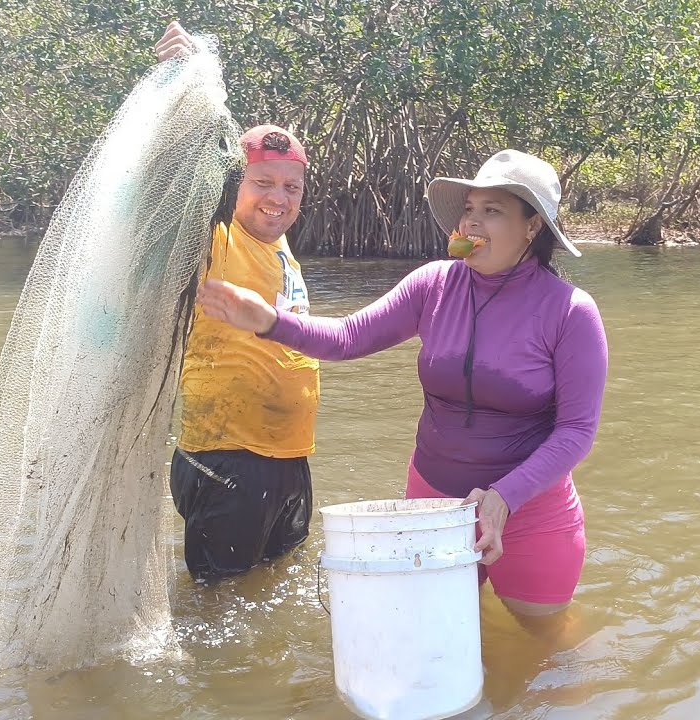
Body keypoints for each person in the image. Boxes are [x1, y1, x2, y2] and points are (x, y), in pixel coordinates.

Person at [198, 149, 608, 616]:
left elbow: (576, 431)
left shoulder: (570, 311)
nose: (471, 224)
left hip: (532, 509)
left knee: (541, 653)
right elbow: (348, 337)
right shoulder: (434, 284)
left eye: (491, 212)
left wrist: (504, 497)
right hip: (435, 503)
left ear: (532, 227)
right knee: (432, 631)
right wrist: (270, 321)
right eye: (468, 210)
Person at [156, 22, 321, 581]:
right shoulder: (214, 236)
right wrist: (181, 81)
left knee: (269, 586)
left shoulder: (283, 249)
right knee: (215, 601)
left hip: (288, 456)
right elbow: (172, 176)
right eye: (262, 182)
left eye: (290, 187)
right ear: (234, 184)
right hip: (226, 456)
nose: (277, 198)